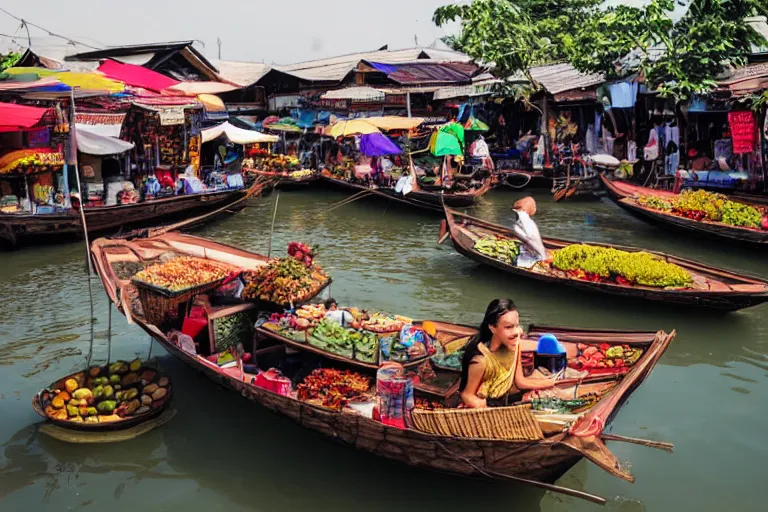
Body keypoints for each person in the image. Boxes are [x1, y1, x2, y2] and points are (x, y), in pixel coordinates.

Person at [459, 299, 560, 408]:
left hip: (505, 401)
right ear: (492, 328)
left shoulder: (514, 346)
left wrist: (551, 383)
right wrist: (484, 408)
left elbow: (520, 381)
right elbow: (467, 395)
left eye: (517, 326)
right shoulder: (480, 360)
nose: (516, 332)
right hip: (487, 407)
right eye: (508, 327)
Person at [510, 196, 548, 268]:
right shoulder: (527, 223)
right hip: (528, 261)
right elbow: (532, 242)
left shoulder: (523, 222)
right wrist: (544, 257)